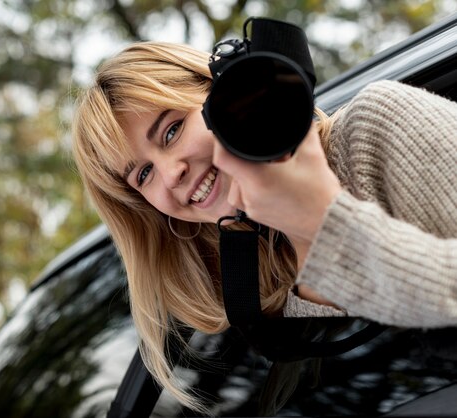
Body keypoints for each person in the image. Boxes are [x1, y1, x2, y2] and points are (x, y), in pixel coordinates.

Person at [71, 41, 457, 411]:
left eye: (172, 131)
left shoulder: (375, 127)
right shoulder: (240, 294)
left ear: (224, 92)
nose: (171, 174)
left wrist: (322, 220)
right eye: (144, 174)